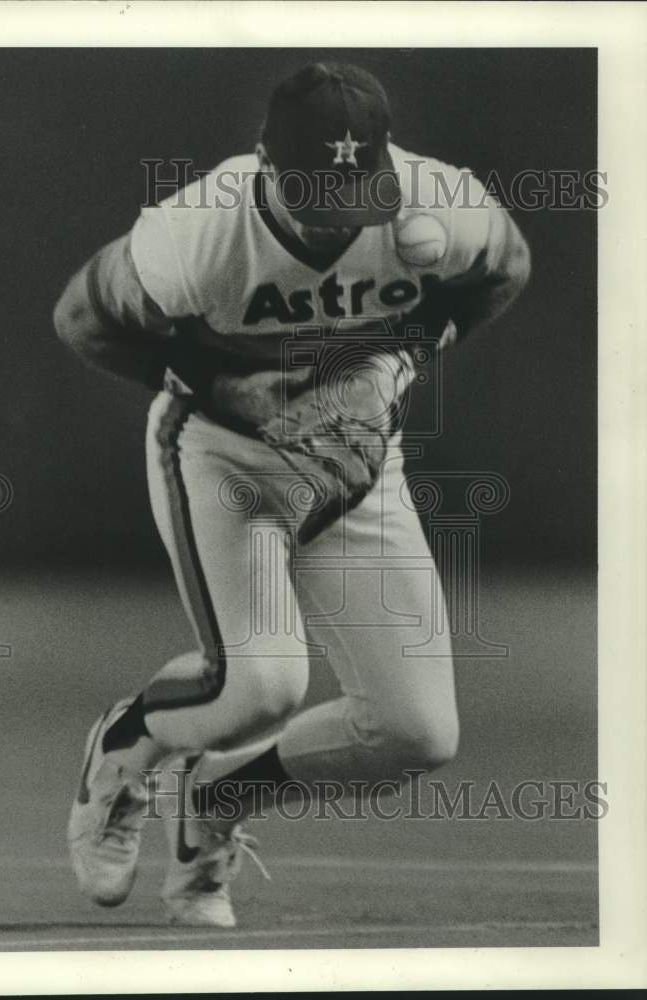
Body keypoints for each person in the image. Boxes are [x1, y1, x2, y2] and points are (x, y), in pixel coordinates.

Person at [53, 61, 531, 929]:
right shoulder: (198, 231)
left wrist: (397, 358)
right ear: (265, 164)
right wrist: (233, 385)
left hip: (356, 471)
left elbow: (504, 271)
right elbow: (83, 319)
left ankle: (213, 799)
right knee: (264, 684)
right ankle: (127, 744)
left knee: (416, 733)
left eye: (358, 185)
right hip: (225, 457)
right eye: (317, 189)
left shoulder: (439, 204)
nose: (340, 210)